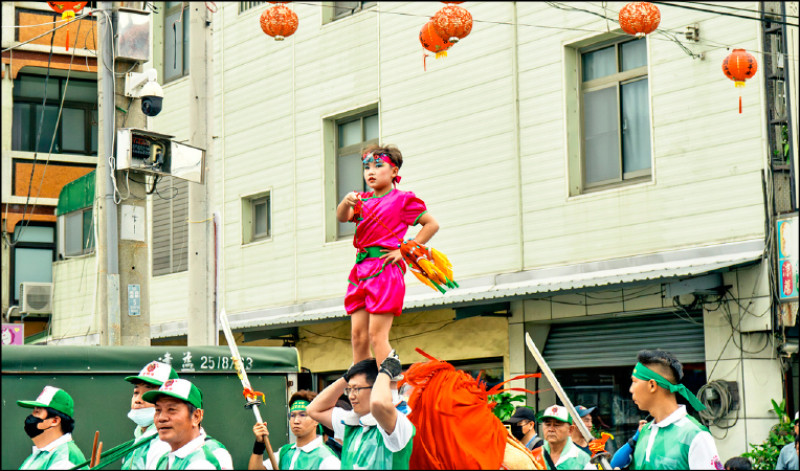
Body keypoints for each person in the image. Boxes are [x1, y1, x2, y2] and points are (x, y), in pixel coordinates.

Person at [336, 144, 439, 371]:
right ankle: (363, 387)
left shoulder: (402, 200)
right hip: (361, 269)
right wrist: (345, 201)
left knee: (376, 335)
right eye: (367, 167)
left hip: (385, 270)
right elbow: (342, 217)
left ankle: (391, 389)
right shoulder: (361, 200)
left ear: (394, 172)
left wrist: (404, 250)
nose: (371, 172)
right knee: (357, 336)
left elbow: (431, 224)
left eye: (378, 166)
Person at [307, 355, 415, 469]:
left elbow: (379, 404)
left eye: (357, 389)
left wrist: (385, 374)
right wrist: (347, 377)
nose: (351, 396)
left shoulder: (397, 425)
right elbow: (313, 410)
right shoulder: (352, 425)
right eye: (349, 389)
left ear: (375, 388)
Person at [629, 349, 723, 470]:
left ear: (652, 385)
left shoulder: (695, 435)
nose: (631, 389)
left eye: (634, 382)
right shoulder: (645, 431)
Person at [142, 378, 233, 470]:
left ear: (196, 416)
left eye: (171, 409)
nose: (161, 418)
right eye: (158, 410)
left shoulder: (201, 464)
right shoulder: (164, 459)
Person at [248, 390, 340, 470]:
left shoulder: (327, 459)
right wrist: (259, 444)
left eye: (303, 415)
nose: (296, 421)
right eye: (292, 415)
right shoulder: (285, 452)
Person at [121, 361, 178, 470]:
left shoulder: (167, 444)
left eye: (148, 394)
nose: (138, 400)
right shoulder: (138, 441)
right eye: (136, 392)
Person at [17, 385, 86, 470]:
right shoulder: (43, 453)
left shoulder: (64, 458)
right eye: (33, 412)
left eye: (37, 412)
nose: (31, 417)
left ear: (55, 421)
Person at [540, 405, 590, 470]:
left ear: (570, 430)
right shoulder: (535, 455)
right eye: (547, 424)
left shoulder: (583, 459)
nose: (551, 429)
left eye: (557, 425)